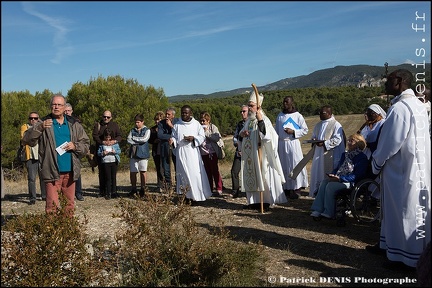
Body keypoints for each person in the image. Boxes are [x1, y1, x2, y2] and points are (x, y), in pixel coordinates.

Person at [367, 69, 431, 270]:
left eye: (389, 80)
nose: (385, 84)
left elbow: (389, 142)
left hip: (402, 169)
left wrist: (375, 163)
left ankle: (406, 258)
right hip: (416, 167)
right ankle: (389, 245)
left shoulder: (400, 108)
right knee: (401, 210)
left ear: (400, 81)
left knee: (406, 212)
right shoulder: (419, 106)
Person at [21, 94, 90, 216]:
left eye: (59, 105)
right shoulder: (44, 123)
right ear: (50, 106)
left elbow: (86, 144)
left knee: (69, 205)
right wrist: (40, 128)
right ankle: (52, 232)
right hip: (51, 171)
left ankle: (67, 232)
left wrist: (76, 146)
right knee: (52, 206)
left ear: (64, 107)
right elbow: (26, 139)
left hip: (70, 172)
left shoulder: (74, 124)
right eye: (54, 104)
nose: (56, 107)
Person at [238, 91, 287, 212]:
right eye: (248, 105)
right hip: (250, 155)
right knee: (251, 175)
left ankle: (265, 201)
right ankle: (253, 202)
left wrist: (260, 122)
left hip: (261, 154)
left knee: (262, 176)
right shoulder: (249, 120)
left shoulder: (264, 119)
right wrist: (242, 133)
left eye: (252, 106)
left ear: (258, 107)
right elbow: (241, 133)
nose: (249, 108)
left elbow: (269, 137)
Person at [310, 133, 369, 219]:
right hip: (340, 178)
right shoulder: (345, 155)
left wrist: (341, 178)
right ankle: (318, 209)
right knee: (324, 182)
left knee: (330, 186)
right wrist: (333, 175)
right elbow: (338, 168)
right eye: (348, 140)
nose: (348, 142)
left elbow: (358, 175)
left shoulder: (362, 158)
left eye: (351, 141)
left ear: (358, 143)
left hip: (351, 182)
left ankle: (329, 212)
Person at [170, 105, 212, 203]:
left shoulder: (196, 124)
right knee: (183, 175)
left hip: (192, 152)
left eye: (186, 113)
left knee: (194, 175)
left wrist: (193, 139)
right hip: (181, 152)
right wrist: (172, 141)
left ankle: (195, 197)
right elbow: (174, 137)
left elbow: (202, 137)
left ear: (190, 113)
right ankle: (185, 197)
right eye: (182, 112)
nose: (184, 114)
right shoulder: (177, 125)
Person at [275, 96, 309, 200]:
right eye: (284, 102)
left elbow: (305, 130)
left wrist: (293, 132)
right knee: (283, 165)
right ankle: (286, 188)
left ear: (292, 103)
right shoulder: (280, 116)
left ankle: (296, 189)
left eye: (287, 102)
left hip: (293, 143)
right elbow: (276, 131)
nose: (285, 104)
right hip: (281, 144)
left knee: (294, 165)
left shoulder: (298, 116)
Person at [308, 105, 345, 198]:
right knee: (317, 173)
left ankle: (325, 194)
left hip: (328, 154)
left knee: (325, 173)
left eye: (322, 113)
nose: (320, 114)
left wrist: (324, 143)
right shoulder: (318, 125)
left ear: (329, 113)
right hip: (318, 154)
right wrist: (314, 140)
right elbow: (314, 135)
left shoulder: (336, 124)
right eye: (319, 112)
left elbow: (338, 139)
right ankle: (317, 194)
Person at [92, 111, 122, 197]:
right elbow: (94, 136)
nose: (106, 118)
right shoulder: (98, 125)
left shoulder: (114, 125)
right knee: (102, 172)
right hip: (101, 151)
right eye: (104, 116)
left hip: (113, 153)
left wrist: (114, 141)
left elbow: (119, 136)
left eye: (108, 117)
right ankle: (103, 191)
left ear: (111, 117)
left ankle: (113, 191)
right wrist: (102, 142)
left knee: (113, 174)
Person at [20, 112, 46, 205]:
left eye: (35, 118)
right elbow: (25, 138)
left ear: (38, 119)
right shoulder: (25, 127)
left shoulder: (42, 127)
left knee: (43, 177)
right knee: (31, 178)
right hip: (30, 156)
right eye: (31, 118)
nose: (33, 120)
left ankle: (44, 196)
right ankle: (32, 198)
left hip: (41, 155)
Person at [198, 111, 224, 196]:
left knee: (214, 170)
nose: (202, 123)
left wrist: (206, 133)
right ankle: (209, 188)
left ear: (208, 121)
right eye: (201, 121)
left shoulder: (213, 127)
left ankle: (219, 188)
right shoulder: (198, 128)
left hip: (212, 152)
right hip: (203, 153)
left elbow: (217, 137)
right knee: (207, 171)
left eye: (204, 121)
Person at [127, 113, 151, 197]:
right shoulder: (132, 130)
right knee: (133, 172)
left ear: (142, 122)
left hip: (143, 153)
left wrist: (135, 139)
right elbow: (129, 139)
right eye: (136, 122)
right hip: (133, 153)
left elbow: (144, 139)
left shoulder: (147, 130)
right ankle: (133, 189)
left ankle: (143, 189)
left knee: (143, 171)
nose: (137, 124)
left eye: (138, 122)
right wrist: (136, 140)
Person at [64, 103, 84, 201]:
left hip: (75, 152)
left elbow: (83, 140)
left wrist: (75, 146)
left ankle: (78, 193)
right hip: (63, 152)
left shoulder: (76, 124)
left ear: (71, 112)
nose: (67, 112)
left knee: (77, 173)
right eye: (65, 111)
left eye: (68, 111)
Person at [97, 128, 121, 199]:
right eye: (106, 137)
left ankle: (114, 192)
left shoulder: (115, 143)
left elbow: (119, 151)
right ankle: (108, 193)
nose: (108, 139)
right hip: (106, 162)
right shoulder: (102, 144)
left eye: (109, 137)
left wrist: (115, 151)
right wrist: (102, 153)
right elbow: (98, 153)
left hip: (113, 161)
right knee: (108, 178)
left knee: (113, 177)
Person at [157, 107, 178, 190]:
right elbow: (160, 135)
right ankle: (169, 185)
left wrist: (171, 126)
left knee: (178, 167)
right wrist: (170, 137)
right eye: (166, 114)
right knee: (166, 168)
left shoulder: (178, 122)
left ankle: (178, 185)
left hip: (175, 148)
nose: (166, 116)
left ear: (173, 115)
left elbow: (179, 133)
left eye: (168, 114)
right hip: (165, 148)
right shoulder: (161, 123)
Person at [230, 105, 248, 198]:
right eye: (241, 111)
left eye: (244, 111)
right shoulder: (240, 124)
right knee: (234, 171)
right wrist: (237, 144)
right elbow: (235, 136)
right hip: (239, 150)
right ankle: (235, 190)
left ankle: (249, 190)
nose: (242, 113)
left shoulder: (253, 123)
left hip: (249, 151)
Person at [149, 111, 165, 192]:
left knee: (164, 168)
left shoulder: (165, 128)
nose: (157, 121)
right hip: (156, 150)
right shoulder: (152, 129)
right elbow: (149, 140)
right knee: (158, 168)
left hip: (164, 150)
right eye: (156, 120)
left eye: (159, 119)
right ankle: (159, 184)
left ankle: (166, 184)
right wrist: (154, 141)